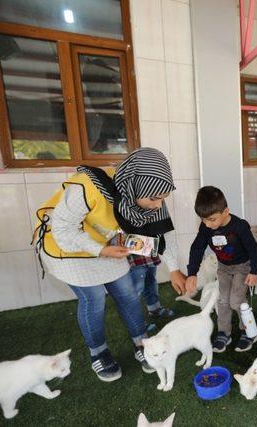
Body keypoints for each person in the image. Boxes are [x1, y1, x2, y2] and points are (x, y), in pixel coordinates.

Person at [34, 148, 186, 382]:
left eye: (163, 198)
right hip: (66, 248)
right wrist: (101, 250)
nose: (158, 205)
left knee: (127, 293)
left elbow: (163, 234)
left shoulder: (151, 194)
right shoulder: (88, 186)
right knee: (93, 299)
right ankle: (99, 352)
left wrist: (174, 268)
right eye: (155, 199)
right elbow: (63, 229)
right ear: (138, 187)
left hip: (108, 246)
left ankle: (142, 343)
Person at [186, 186, 257, 353]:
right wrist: (192, 273)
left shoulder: (240, 226)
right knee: (223, 301)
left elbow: (254, 249)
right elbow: (197, 248)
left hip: (243, 267)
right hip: (224, 268)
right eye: (203, 219)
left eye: (212, 219)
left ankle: (248, 331)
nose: (207, 224)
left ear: (225, 211)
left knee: (236, 301)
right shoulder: (206, 227)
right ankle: (224, 333)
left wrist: (254, 271)